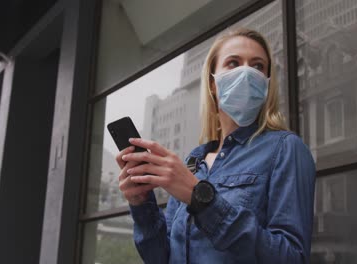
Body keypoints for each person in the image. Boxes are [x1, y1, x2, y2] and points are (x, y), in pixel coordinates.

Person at [115, 28, 316, 263]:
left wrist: (201, 198)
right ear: (212, 82)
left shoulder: (286, 149)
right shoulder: (193, 162)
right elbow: (162, 257)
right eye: (233, 63)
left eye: (258, 66)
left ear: (267, 83)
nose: (246, 72)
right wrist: (141, 204)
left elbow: (292, 257)